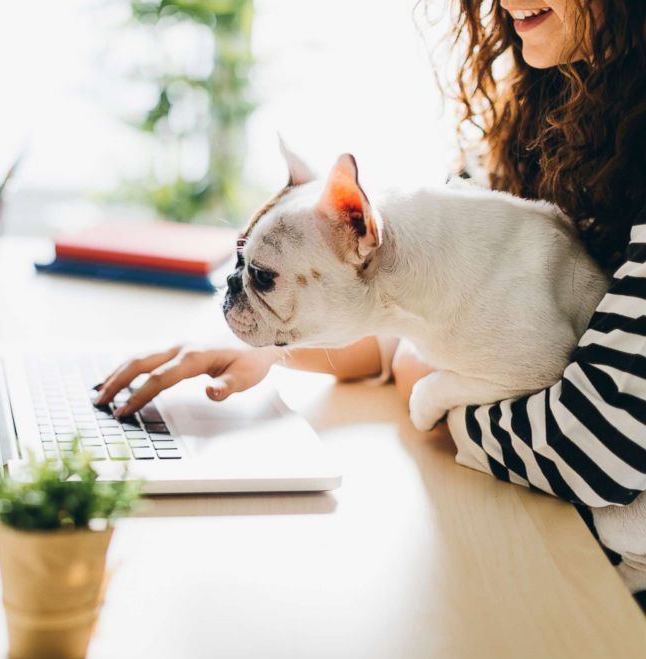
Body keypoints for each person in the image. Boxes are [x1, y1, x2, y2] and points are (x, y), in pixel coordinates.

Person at [96, 0, 646, 605]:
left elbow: (596, 445)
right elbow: (409, 304)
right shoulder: (532, 110)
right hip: (538, 542)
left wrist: (427, 388)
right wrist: (272, 347)